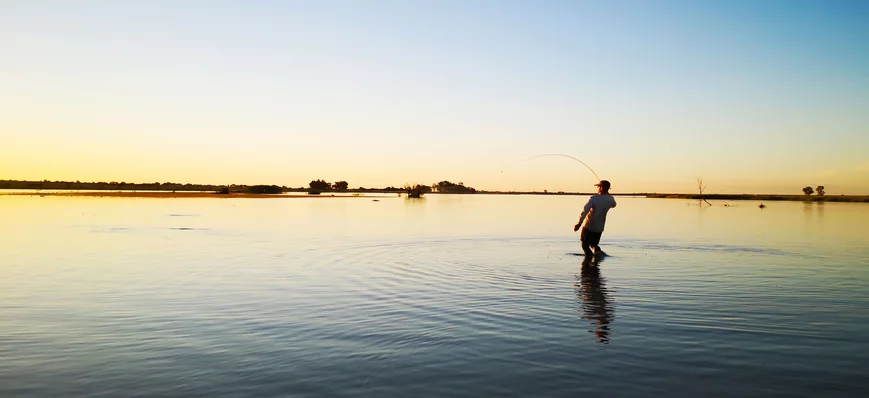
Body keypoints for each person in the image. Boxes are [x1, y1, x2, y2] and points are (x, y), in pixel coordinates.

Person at [573, 180, 617, 258]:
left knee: (584, 245)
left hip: (589, 226)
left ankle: (590, 260)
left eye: (598, 187)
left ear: (601, 188)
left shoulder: (594, 198)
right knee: (594, 245)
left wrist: (579, 223)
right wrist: (608, 195)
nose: (597, 188)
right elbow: (614, 205)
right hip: (599, 228)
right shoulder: (610, 199)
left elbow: (584, 211)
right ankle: (598, 257)